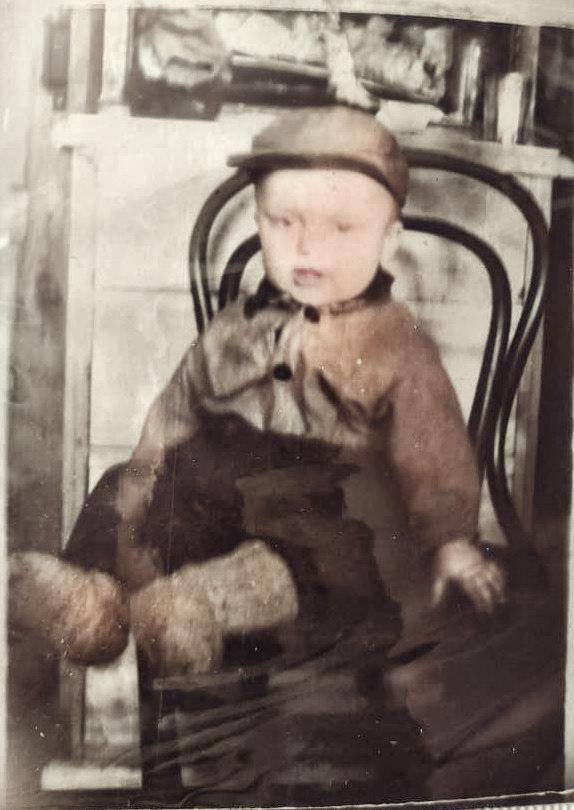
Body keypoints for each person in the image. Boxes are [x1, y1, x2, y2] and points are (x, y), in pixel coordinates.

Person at [9, 103, 509, 803]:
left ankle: (200, 605)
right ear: (258, 221)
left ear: (389, 239)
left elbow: (437, 454)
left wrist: (450, 540)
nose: (309, 246)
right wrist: (144, 479)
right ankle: (92, 599)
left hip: (323, 515)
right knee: (130, 479)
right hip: (215, 504)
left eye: (341, 228)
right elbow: (175, 410)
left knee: (317, 537)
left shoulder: (399, 347)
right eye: (284, 222)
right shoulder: (233, 328)